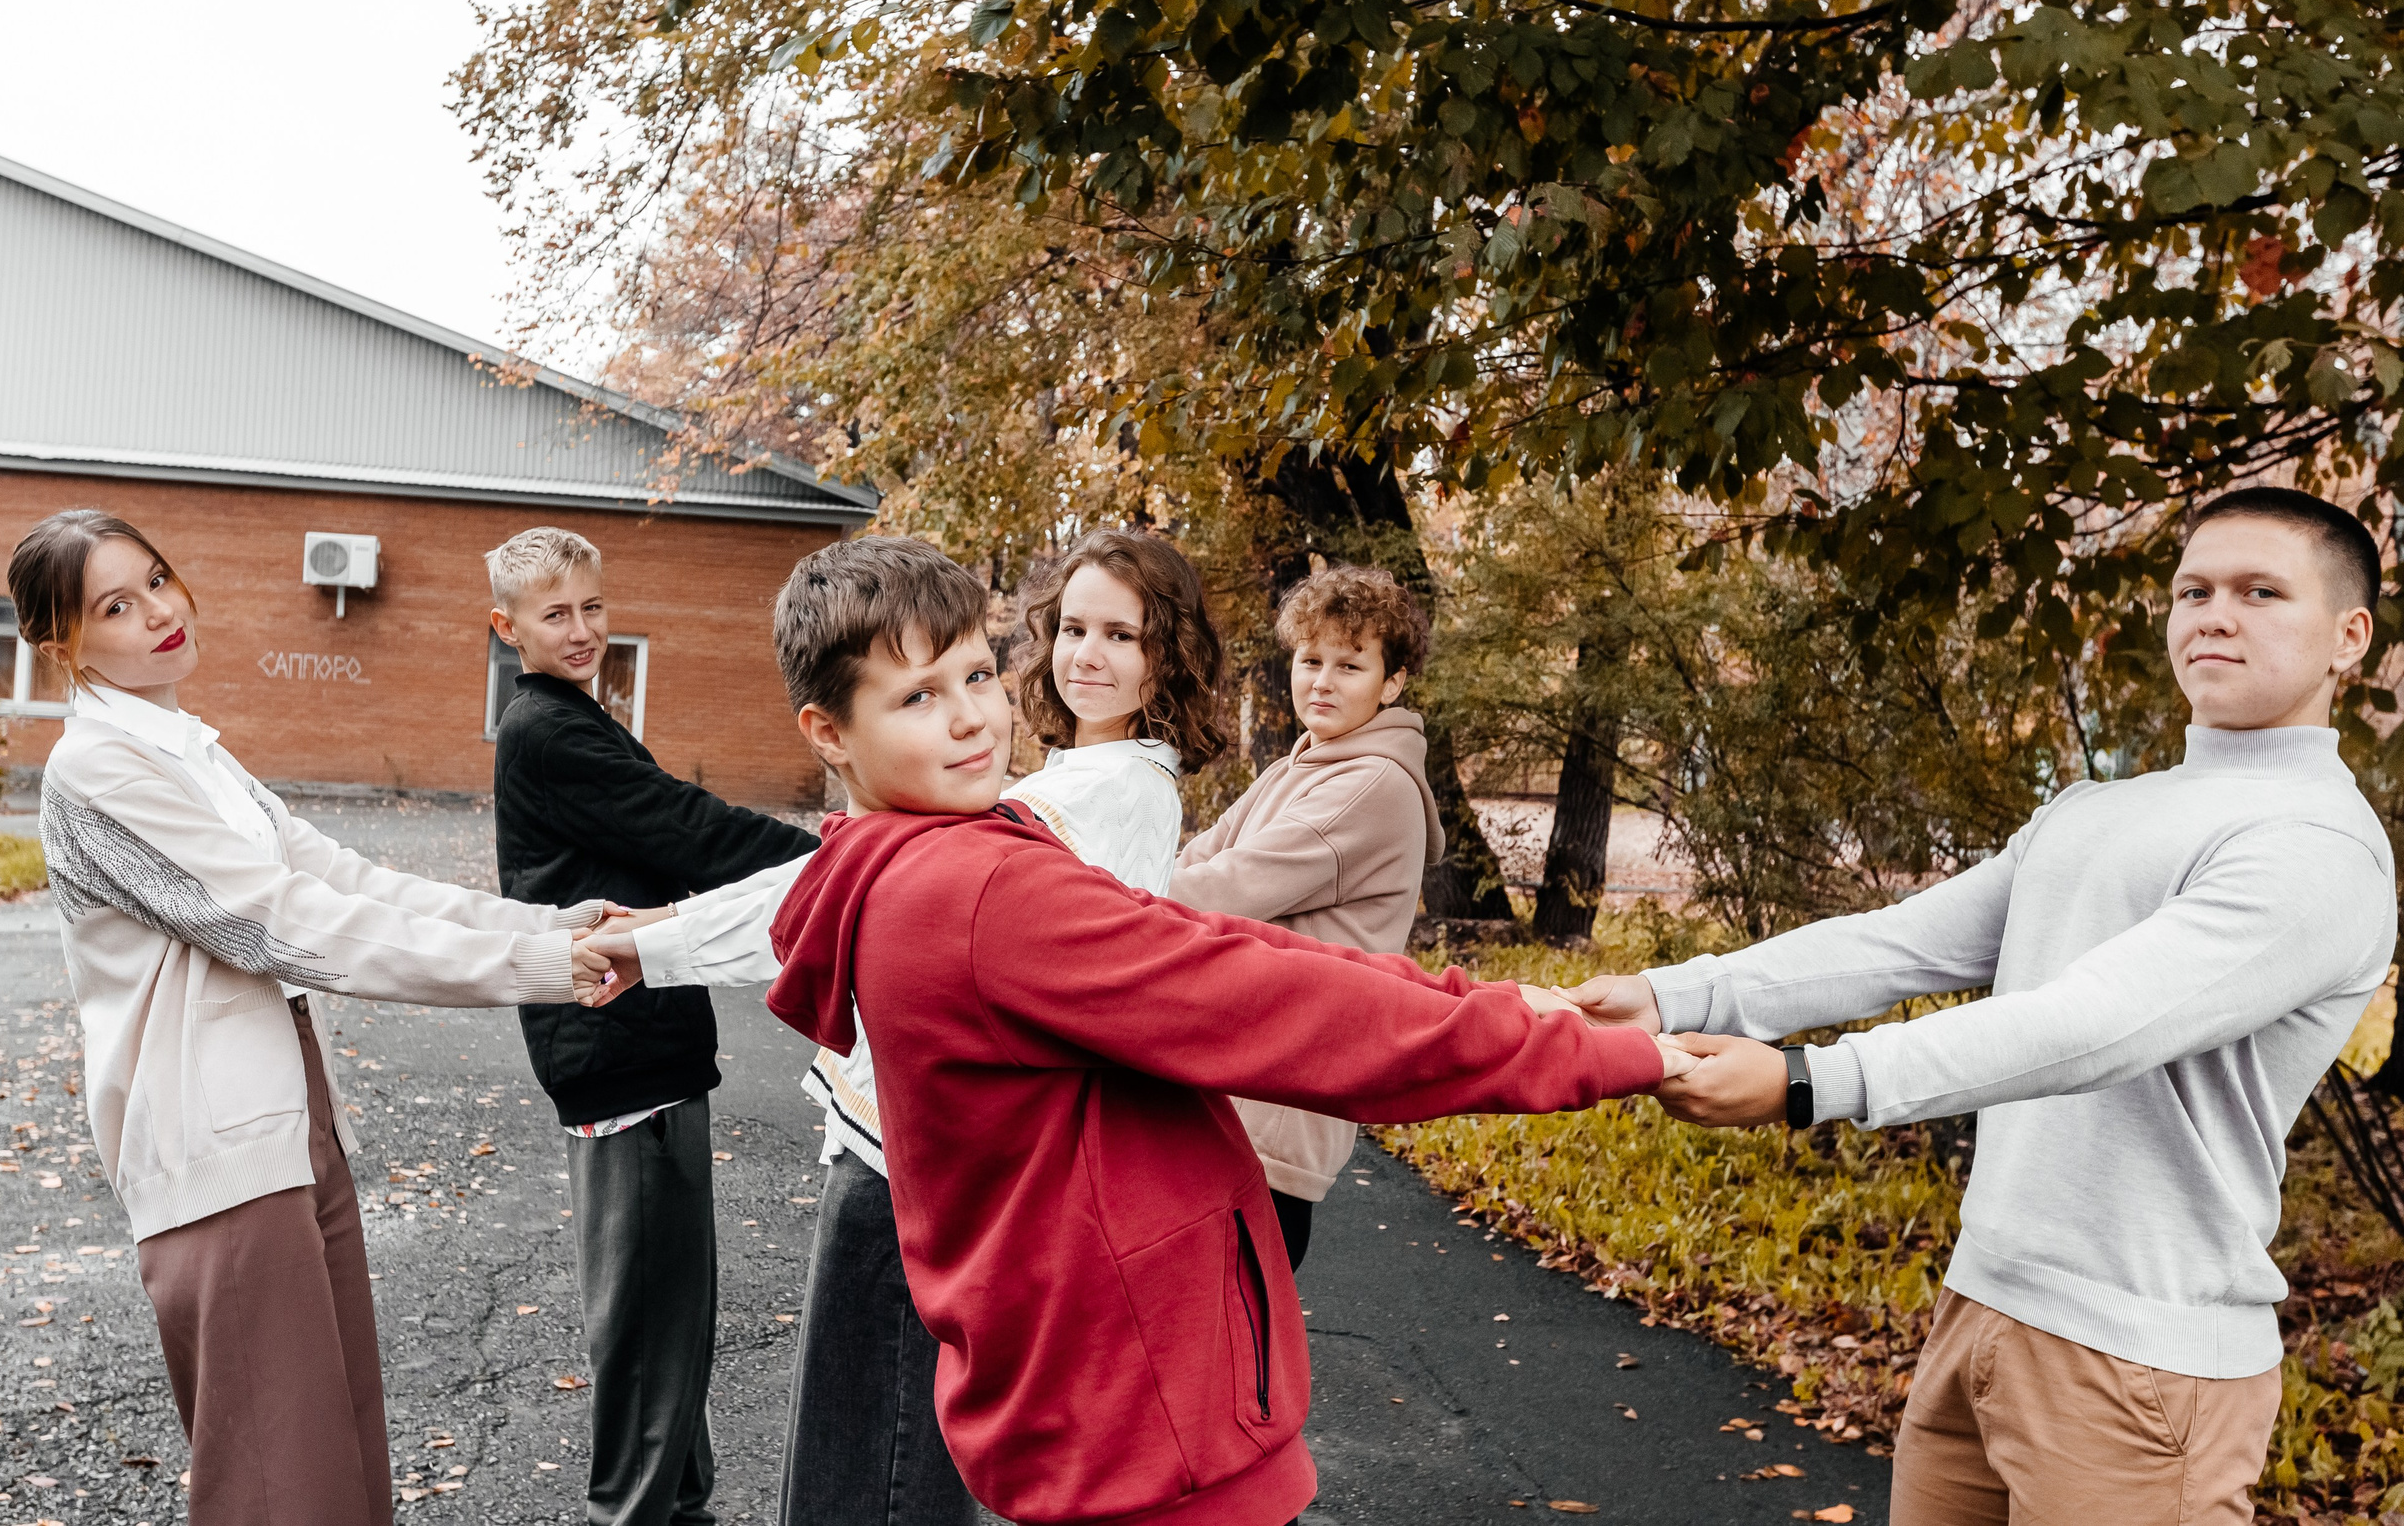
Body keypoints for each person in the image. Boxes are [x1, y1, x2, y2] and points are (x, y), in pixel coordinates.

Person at [579, 535, 1691, 1526]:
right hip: (1147, 1419)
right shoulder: (978, 888)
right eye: (919, 696)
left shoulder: (934, 855)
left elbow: (1219, 944)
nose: (972, 714)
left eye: (974, 674)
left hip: (1124, 1397)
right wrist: (1600, 1053)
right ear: (830, 730)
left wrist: (1499, 1003)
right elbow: (1271, 998)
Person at [1566, 486, 2396, 1526]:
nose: (2214, 613)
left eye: (2259, 591)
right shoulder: (2101, 807)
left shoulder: (2314, 846)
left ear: (2347, 635)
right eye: (2194, 589)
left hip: (2140, 1361)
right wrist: (1665, 990)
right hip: (1984, 1303)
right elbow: (1903, 941)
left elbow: (2092, 1021)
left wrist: (1809, 1081)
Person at [582, 526, 1235, 1526]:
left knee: (870, 1481)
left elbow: (845, 896)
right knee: (877, 1465)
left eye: (1124, 634)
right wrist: (664, 929)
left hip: (919, 1169)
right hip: (915, 1156)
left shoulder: (1101, 793)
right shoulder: (1059, 781)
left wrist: (657, 943)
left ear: (1167, 654)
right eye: (1072, 627)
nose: (1089, 653)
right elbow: (851, 877)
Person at [13, 509, 615, 1526]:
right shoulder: (101, 769)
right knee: (278, 1484)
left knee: (337, 1458)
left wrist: (546, 925)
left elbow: (348, 876)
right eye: (116, 604)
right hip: (218, 1149)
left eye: (157, 577)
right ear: (59, 644)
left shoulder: (190, 749)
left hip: (294, 1123)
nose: (160, 609)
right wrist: (542, 963)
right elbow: (287, 924)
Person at [484, 525, 819, 1526]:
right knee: (644, 1316)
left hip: (636, 1041)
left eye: (591, 606)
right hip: (615, 1045)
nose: (581, 628)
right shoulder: (548, 730)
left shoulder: (568, 713)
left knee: (670, 1307)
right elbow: (683, 826)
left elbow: (668, 835)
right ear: (508, 629)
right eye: (555, 615)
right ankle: (631, 1508)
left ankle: (677, 1499)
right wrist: (841, 860)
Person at [1169, 564, 1444, 1270]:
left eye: (1350, 665)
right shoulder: (1304, 764)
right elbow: (1198, 855)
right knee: (1203, 1349)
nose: (1321, 680)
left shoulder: (1371, 783)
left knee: (1229, 1350)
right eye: (1310, 659)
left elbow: (1217, 888)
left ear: (1394, 682)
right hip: (1241, 1080)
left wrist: (1084, 893)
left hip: (1276, 1102)